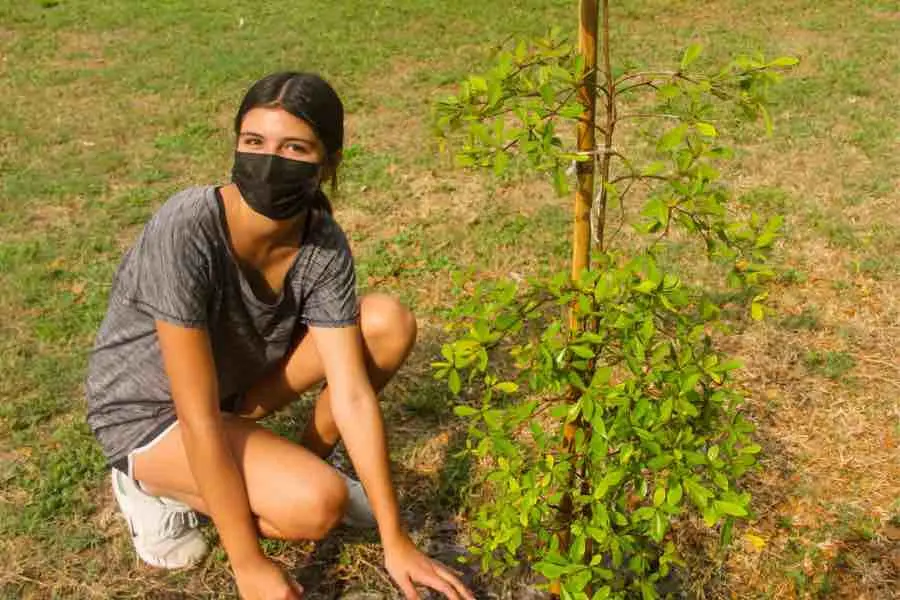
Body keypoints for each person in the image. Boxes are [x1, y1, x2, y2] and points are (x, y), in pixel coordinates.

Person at [86, 71, 474, 600]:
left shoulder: (322, 242)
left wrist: (396, 538)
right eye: (254, 142)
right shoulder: (188, 228)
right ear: (236, 146)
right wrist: (248, 564)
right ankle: (150, 485)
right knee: (316, 506)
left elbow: (353, 392)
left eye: (294, 147)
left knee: (384, 322)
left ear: (327, 163)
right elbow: (195, 416)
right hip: (150, 413)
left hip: (232, 393)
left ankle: (299, 465)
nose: (269, 161)